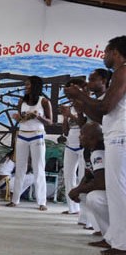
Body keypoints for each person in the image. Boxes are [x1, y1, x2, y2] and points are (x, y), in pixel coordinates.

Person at [65, 35, 126, 255]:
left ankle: (122, 244)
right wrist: (80, 102)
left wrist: (81, 94)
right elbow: (101, 116)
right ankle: (115, 239)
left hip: (121, 137)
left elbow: (106, 107)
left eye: (106, 52)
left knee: (118, 192)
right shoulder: (120, 74)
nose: (103, 56)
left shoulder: (122, 71)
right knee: (116, 192)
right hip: (115, 134)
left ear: (116, 53)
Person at [8, 76, 52, 211]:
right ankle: (15, 200)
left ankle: (42, 202)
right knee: (20, 168)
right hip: (22, 136)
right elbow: (21, 120)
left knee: (39, 168)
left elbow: (50, 121)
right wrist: (17, 117)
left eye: (28, 85)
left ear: (36, 86)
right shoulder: (22, 101)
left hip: (37, 136)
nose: (26, 87)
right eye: (25, 85)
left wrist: (38, 117)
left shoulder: (44, 101)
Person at [67, 122, 109, 249]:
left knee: (94, 197)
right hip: (107, 190)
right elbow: (88, 174)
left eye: (82, 134)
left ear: (93, 138)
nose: (79, 137)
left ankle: (112, 236)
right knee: (85, 195)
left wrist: (77, 190)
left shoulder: (99, 151)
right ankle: (104, 231)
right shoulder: (87, 150)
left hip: (115, 192)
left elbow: (101, 183)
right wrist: (78, 190)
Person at [59, 79, 87, 215]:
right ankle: (72, 208)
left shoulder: (87, 104)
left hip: (83, 146)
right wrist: (65, 118)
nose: (68, 92)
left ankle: (84, 213)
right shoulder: (69, 105)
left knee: (82, 177)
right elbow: (65, 131)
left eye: (69, 89)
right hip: (70, 144)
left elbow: (85, 124)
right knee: (68, 176)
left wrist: (70, 115)